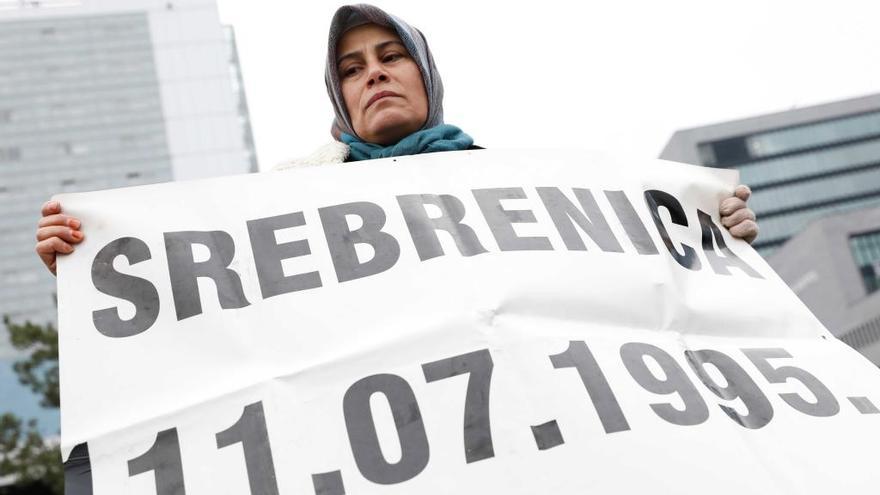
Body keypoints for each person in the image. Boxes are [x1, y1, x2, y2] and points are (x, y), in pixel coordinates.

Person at [36, 3, 759, 276]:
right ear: (339, 98)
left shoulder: (526, 183)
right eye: (351, 69)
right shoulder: (282, 199)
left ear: (426, 75)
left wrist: (712, 232)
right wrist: (94, 255)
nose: (373, 75)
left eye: (391, 58)